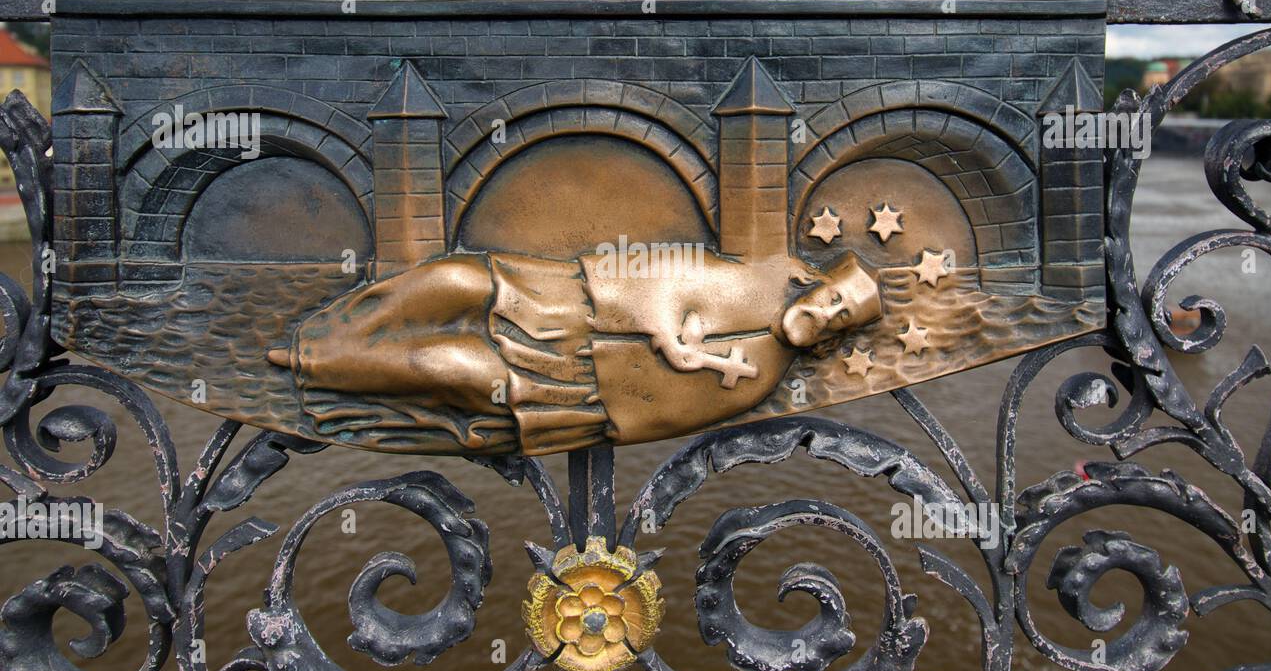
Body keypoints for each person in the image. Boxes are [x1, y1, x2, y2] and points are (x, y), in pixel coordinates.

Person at [268, 248, 882, 455]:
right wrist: (669, 328)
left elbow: (659, 417)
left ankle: (317, 367)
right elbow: (663, 272)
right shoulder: (753, 278)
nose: (823, 315)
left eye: (839, 320)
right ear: (817, 284)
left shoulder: (761, 379)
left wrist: (684, 363)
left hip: (572, 390)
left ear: (836, 336)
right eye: (831, 300)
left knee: (448, 368)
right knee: (455, 280)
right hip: (573, 303)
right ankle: (328, 332)